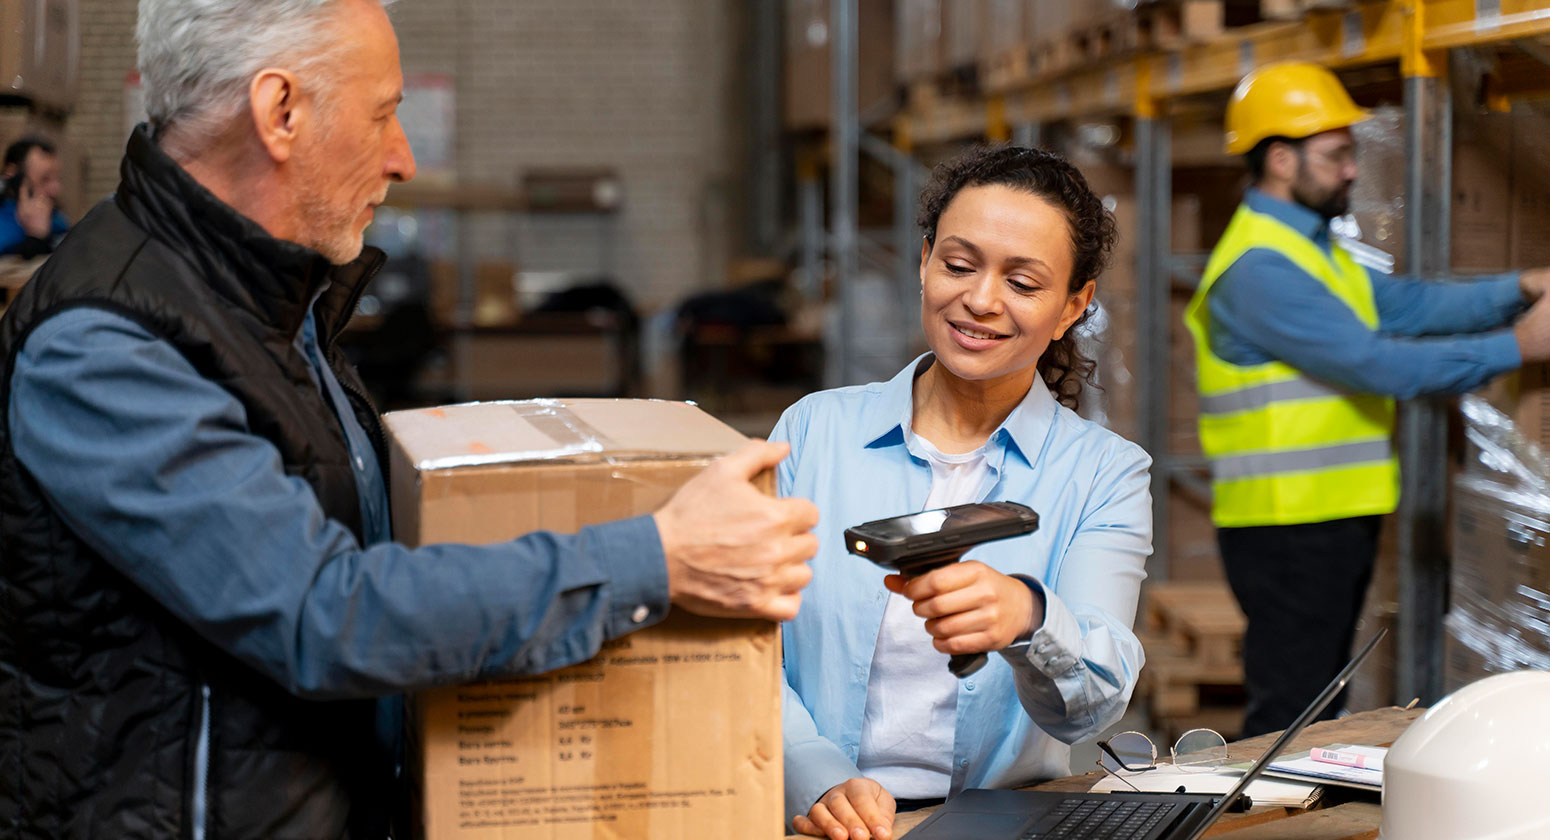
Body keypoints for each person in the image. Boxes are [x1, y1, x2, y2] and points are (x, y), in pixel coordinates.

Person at [0, 1, 818, 837]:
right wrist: (657, 558)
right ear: (280, 112)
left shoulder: (273, 306)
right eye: (384, 114)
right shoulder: (104, 344)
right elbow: (326, 614)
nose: (405, 158)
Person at [775, 146, 1152, 840]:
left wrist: (1029, 618)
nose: (980, 300)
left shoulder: (1106, 473)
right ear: (923, 263)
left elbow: (1094, 709)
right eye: (958, 264)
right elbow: (751, 648)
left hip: (1001, 826)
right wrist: (816, 773)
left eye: (1024, 281)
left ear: (1075, 305)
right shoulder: (813, 431)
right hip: (815, 822)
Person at [1187, 60, 1550, 738]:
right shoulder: (1262, 269)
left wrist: (1517, 287)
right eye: (1336, 155)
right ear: (1277, 159)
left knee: (1316, 705)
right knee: (1290, 714)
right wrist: (1519, 347)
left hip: (1326, 517)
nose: (1352, 170)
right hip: (1286, 525)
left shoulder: (1309, 250)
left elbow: (1402, 304)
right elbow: (1378, 366)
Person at [0, 137, 71, 258]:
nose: (55, 190)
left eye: (57, 179)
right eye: (45, 179)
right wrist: (35, 238)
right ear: (12, 174)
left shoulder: (58, 222)